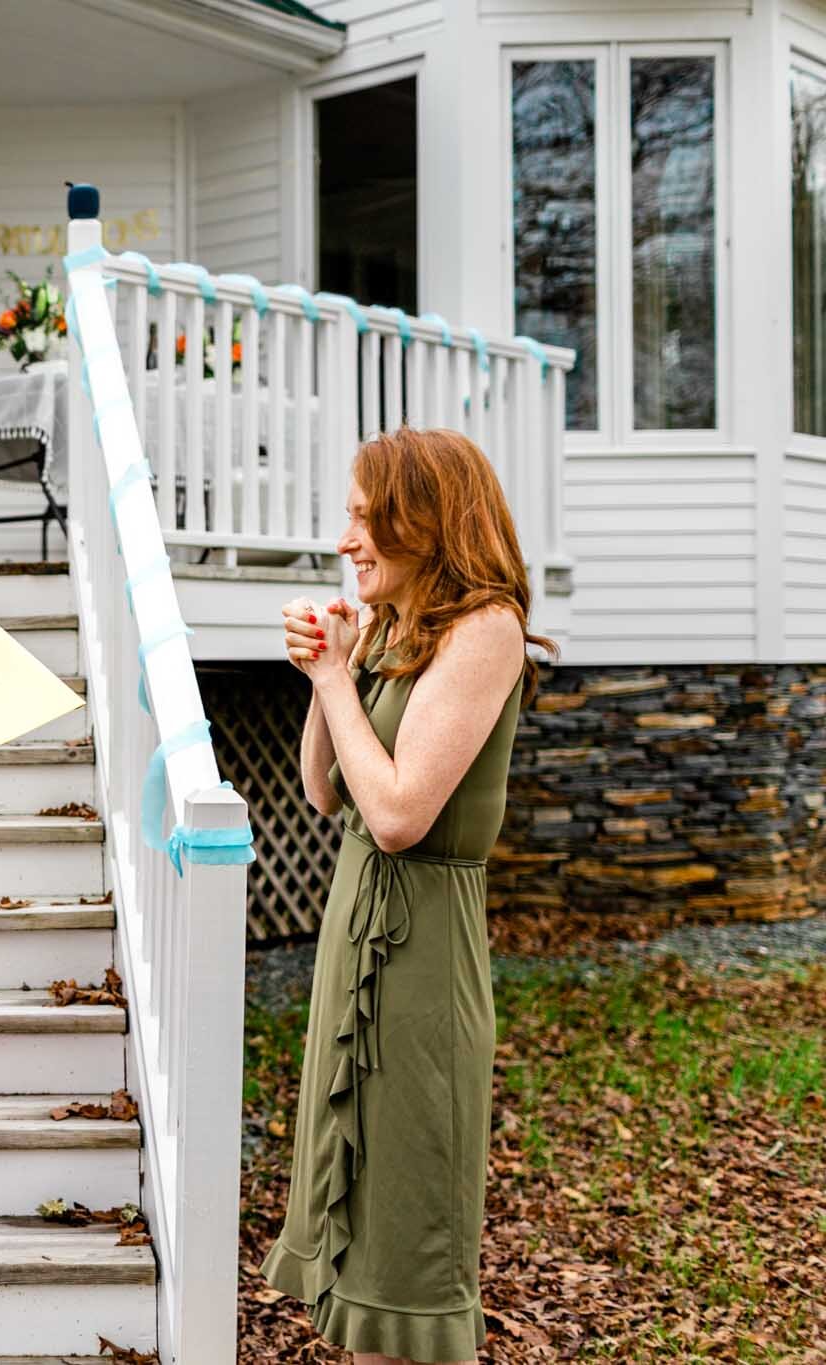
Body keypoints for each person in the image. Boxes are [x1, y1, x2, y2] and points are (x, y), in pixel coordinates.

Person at [259, 427, 555, 1364]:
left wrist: (340, 679)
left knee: (407, 1248)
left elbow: (396, 815)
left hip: (423, 947)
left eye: (361, 516)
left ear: (421, 518)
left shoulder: (485, 629)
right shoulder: (397, 622)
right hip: (355, 929)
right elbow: (324, 789)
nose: (346, 540)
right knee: (355, 1254)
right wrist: (325, 677)